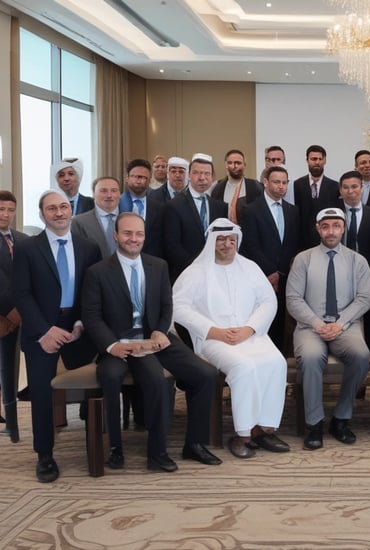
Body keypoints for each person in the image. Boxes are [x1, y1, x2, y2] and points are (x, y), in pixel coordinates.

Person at [82, 212, 221, 472]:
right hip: (119, 343)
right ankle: (156, 454)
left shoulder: (158, 266)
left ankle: (194, 444)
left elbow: (167, 305)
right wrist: (112, 346)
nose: (134, 239)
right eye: (127, 233)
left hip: (155, 338)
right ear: (116, 236)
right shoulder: (98, 272)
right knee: (156, 380)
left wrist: (159, 330)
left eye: (139, 234)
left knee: (205, 373)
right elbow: (92, 316)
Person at [174, 218, 289, 459]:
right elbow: (178, 307)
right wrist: (213, 331)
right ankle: (243, 434)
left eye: (231, 239)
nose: (227, 244)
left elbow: (268, 301)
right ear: (212, 241)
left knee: (276, 363)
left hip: (250, 334)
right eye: (221, 240)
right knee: (243, 367)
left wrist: (250, 328)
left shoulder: (250, 267)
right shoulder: (196, 272)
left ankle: (264, 428)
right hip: (213, 339)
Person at [13, 189, 101, 482]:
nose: (60, 213)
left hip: (79, 329)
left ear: (71, 210)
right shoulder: (27, 248)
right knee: (40, 392)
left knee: (100, 379)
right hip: (41, 330)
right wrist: (43, 330)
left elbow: (91, 294)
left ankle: (99, 443)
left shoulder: (88, 248)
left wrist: (80, 323)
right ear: (42, 214)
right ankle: (45, 454)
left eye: (64, 207)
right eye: (52, 208)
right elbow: (21, 294)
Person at [286, 207, 370, 451]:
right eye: (325, 226)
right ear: (318, 229)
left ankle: (341, 419)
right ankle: (314, 423)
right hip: (309, 326)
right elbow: (293, 298)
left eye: (336, 225)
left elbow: (365, 298)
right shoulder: (303, 259)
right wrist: (316, 323)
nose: (331, 231)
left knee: (361, 355)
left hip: (345, 325)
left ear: (343, 227)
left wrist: (340, 323)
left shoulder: (358, 260)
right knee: (311, 358)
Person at [239, 165, 300, 353]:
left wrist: (281, 273)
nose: (281, 186)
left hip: (285, 278)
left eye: (284, 183)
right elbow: (250, 245)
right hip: (261, 277)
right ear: (265, 182)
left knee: (283, 325)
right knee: (263, 323)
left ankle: (280, 365)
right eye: (276, 182)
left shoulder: (293, 211)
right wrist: (270, 272)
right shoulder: (250, 210)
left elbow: (294, 244)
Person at [338, 170, 370, 352]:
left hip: (368, 274)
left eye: (355, 187)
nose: (351, 191)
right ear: (340, 190)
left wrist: (367, 271)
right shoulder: (333, 214)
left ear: (362, 188)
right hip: (339, 273)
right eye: (346, 187)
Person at [164, 153, 228, 282]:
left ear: (213, 177)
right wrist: (195, 268)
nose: (202, 178)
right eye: (197, 173)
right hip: (186, 274)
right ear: (189, 176)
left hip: (215, 274)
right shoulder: (174, 205)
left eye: (206, 174)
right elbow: (172, 245)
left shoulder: (219, 207)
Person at [0, 191, 28, 443]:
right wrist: (9, 312)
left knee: (11, 366)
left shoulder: (23, 239)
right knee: (2, 367)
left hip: (21, 313)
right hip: (2, 315)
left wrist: (20, 312)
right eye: (0, 209)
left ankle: (12, 423)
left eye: (10, 209)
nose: (5, 214)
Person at [293, 145, 340, 249]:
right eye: (313, 159)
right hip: (302, 243)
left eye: (320, 159)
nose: (317, 162)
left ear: (325, 161)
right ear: (307, 160)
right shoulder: (297, 185)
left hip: (326, 241)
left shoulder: (335, 186)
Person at [118, 158, 166, 258]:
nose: (140, 181)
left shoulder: (159, 207)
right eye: (137, 177)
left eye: (145, 178)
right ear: (127, 178)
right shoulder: (116, 204)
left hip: (152, 262)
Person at [72, 176, 121, 259]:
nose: (109, 195)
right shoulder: (79, 222)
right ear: (93, 194)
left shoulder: (132, 220)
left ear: (120, 194)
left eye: (114, 190)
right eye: (103, 191)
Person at [210, 149, 263, 223]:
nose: (234, 166)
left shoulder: (255, 187)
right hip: (224, 232)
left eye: (238, 163)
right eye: (230, 163)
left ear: (244, 165)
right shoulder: (217, 188)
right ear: (226, 165)